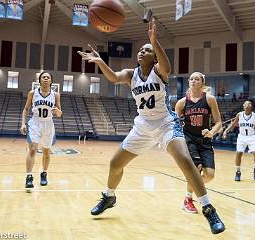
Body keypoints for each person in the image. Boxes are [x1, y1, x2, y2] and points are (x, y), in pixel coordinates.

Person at [77, 18, 225, 234]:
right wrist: (101, 62)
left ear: (154, 56)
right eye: (140, 50)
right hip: (143, 126)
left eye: (146, 51)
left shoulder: (159, 71)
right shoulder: (131, 74)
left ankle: (208, 209)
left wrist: (155, 42)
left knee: (186, 161)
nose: (141, 53)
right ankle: (109, 197)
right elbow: (114, 78)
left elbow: (167, 65)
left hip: (166, 123)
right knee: (115, 163)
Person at [175, 72, 222, 214]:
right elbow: (175, 124)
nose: (193, 81)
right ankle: (188, 199)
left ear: (202, 83)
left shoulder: (209, 99)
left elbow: (218, 122)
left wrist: (212, 132)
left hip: (205, 140)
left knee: (209, 175)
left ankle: (192, 190)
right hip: (189, 139)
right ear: (189, 82)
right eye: (191, 79)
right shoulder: (182, 103)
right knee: (196, 168)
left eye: (197, 79)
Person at [20, 72, 62, 191]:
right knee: (32, 149)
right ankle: (29, 177)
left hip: (48, 124)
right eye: (43, 77)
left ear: (51, 81)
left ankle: (44, 173)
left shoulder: (56, 95)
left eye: (48, 77)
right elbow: (26, 108)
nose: (46, 78)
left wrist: (57, 112)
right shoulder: (33, 93)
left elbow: (59, 113)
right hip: (35, 123)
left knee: (46, 152)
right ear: (39, 80)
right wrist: (23, 123)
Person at [223, 101, 255, 182]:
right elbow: (233, 124)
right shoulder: (239, 114)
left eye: (249, 104)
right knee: (238, 153)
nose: (247, 105)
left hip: (252, 137)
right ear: (243, 106)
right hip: (241, 137)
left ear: (251, 106)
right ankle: (238, 172)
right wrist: (226, 131)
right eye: (245, 104)